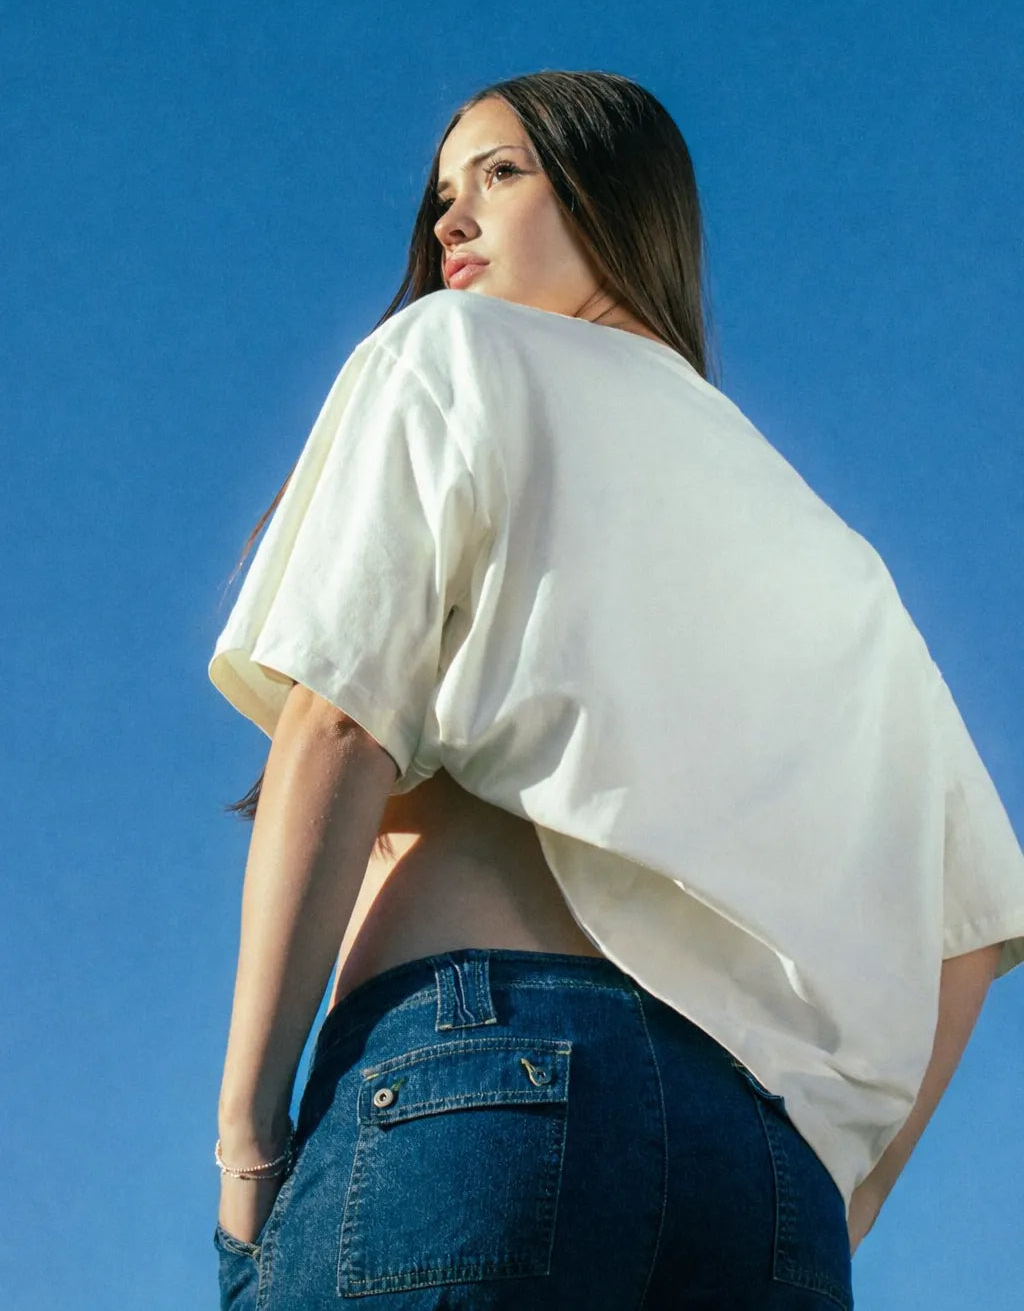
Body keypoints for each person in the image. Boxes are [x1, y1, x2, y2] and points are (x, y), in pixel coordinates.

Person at [208, 70, 1024, 1309]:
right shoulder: (844, 565)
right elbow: (971, 938)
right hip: (764, 1178)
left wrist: (246, 1146)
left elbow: (336, 720)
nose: (449, 221)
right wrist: (834, 1199)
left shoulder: (452, 351)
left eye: (500, 172)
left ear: (614, 195)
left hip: (477, 1074)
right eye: (441, 192)